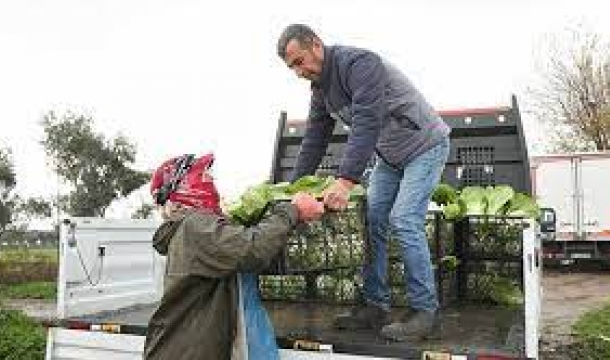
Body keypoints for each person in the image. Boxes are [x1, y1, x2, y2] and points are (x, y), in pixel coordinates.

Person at [276, 24, 451, 341]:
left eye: (299, 62)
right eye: (292, 68)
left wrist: (345, 181)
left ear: (316, 44)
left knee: (405, 219)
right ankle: (375, 305)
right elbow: (315, 138)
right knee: (372, 221)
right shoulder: (321, 90)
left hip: (425, 146)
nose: (298, 72)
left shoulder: (360, 64)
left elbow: (367, 122)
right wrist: (295, 187)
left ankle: (426, 311)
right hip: (391, 158)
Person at [143, 153, 325, 360]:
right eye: (205, 176)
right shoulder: (195, 227)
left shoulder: (192, 229)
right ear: (185, 186)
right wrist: (291, 210)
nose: (211, 181)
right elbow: (253, 250)